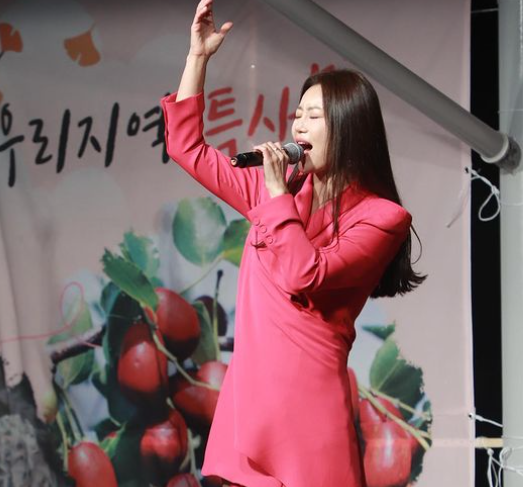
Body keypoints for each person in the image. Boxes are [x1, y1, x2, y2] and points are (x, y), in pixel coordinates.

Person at [161, 1, 425, 486]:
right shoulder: (276, 191)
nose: (298, 126)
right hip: (249, 403)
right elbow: (186, 147)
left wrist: (278, 195)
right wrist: (197, 58)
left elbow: (306, 273)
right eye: (297, 114)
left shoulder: (383, 217)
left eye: (313, 116)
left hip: (307, 412)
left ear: (348, 127)